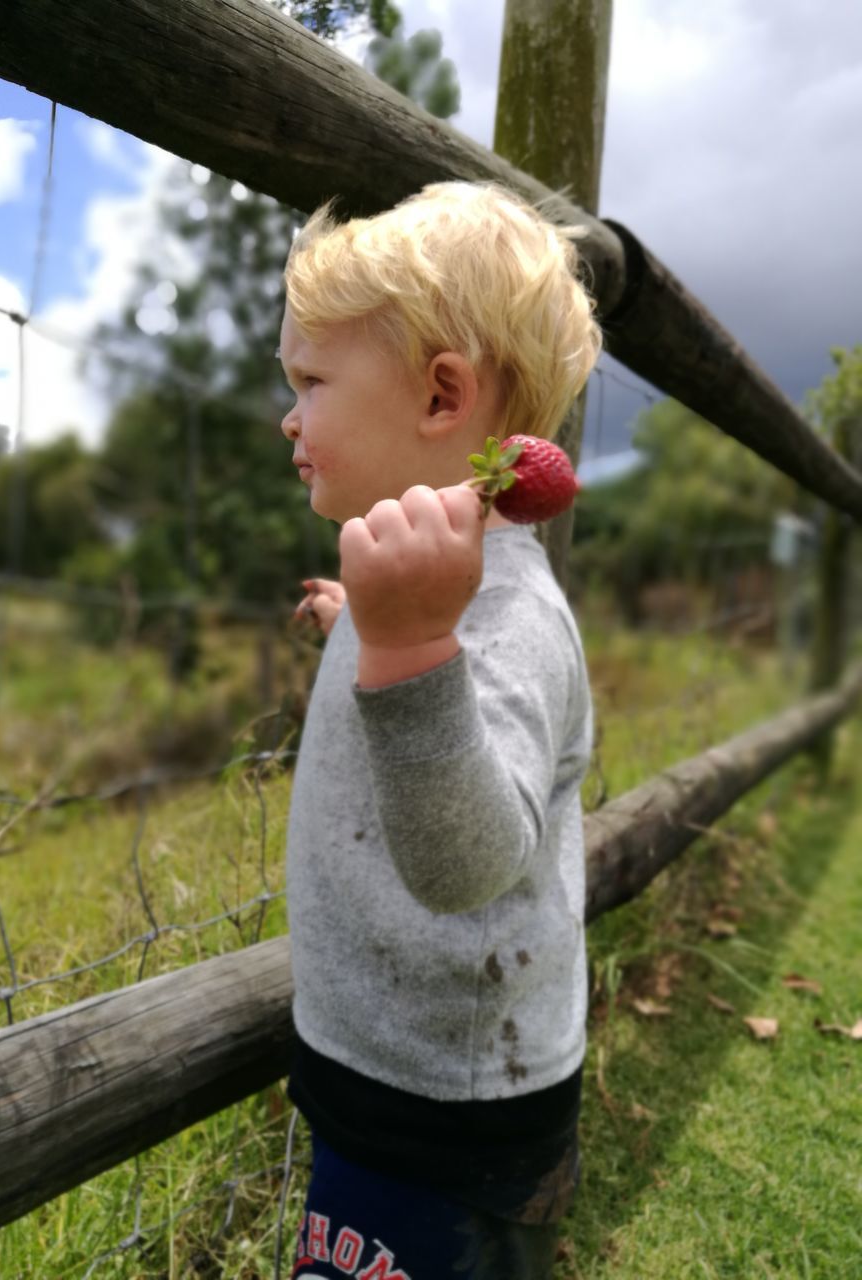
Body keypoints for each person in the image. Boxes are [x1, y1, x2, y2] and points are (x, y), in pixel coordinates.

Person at [277, 181, 601, 1280]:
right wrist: (365, 619)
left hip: (450, 1102)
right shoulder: (420, 591)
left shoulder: (502, 616)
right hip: (385, 1065)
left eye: (311, 381)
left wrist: (411, 650)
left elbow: (467, 864)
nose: (290, 415)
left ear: (441, 395)